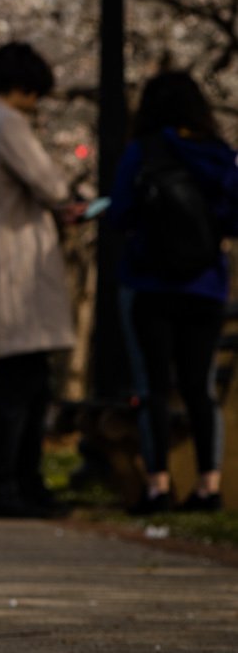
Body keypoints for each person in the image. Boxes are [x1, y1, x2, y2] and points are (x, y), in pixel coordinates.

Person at [0, 43, 80, 520]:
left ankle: (12, 483)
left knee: (17, 384)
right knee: (24, 388)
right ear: (22, 86)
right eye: (35, 96)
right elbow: (50, 183)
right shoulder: (7, 124)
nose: (36, 106)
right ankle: (9, 485)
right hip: (19, 271)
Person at [110, 69, 236, 513]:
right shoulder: (219, 155)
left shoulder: (143, 152)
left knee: (154, 388)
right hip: (204, 284)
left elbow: (120, 213)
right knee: (199, 387)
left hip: (148, 284)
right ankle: (209, 485)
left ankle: (158, 484)